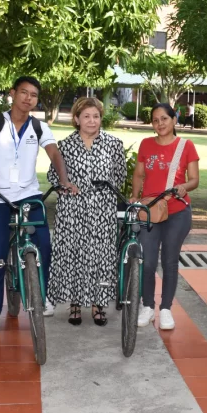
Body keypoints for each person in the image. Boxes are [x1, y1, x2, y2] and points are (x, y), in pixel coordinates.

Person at [0, 76, 70, 337]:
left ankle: (43, 296)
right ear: (13, 93)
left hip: (29, 196)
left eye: (34, 94)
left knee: (45, 246)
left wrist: (65, 180)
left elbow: (54, 153)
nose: (28, 98)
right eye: (23, 92)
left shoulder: (39, 127)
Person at [47, 97, 126, 326]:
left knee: (101, 257)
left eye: (96, 116)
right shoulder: (64, 146)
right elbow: (53, 177)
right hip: (72, 210)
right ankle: (75, 304)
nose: (92, 121)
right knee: (73, 255)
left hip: (103, 210)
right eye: (87, 116)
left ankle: (98, 304)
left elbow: (119, 178)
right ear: (76, 119)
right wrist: (69, 188)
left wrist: (101, 196)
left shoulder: (113, 144)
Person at [131, 104, 200, 330]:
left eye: (164, 119)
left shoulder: (185, 146)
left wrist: (183, 186)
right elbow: (139, 174)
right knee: (148, 261)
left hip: (177, 211)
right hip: (150, 211)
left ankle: (166, 309)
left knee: (170, 261)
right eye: (155, 120)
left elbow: (194, 180)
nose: (160, 124)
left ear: (174, 120)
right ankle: (148, 306)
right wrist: (134, 196)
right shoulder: (146, 144)